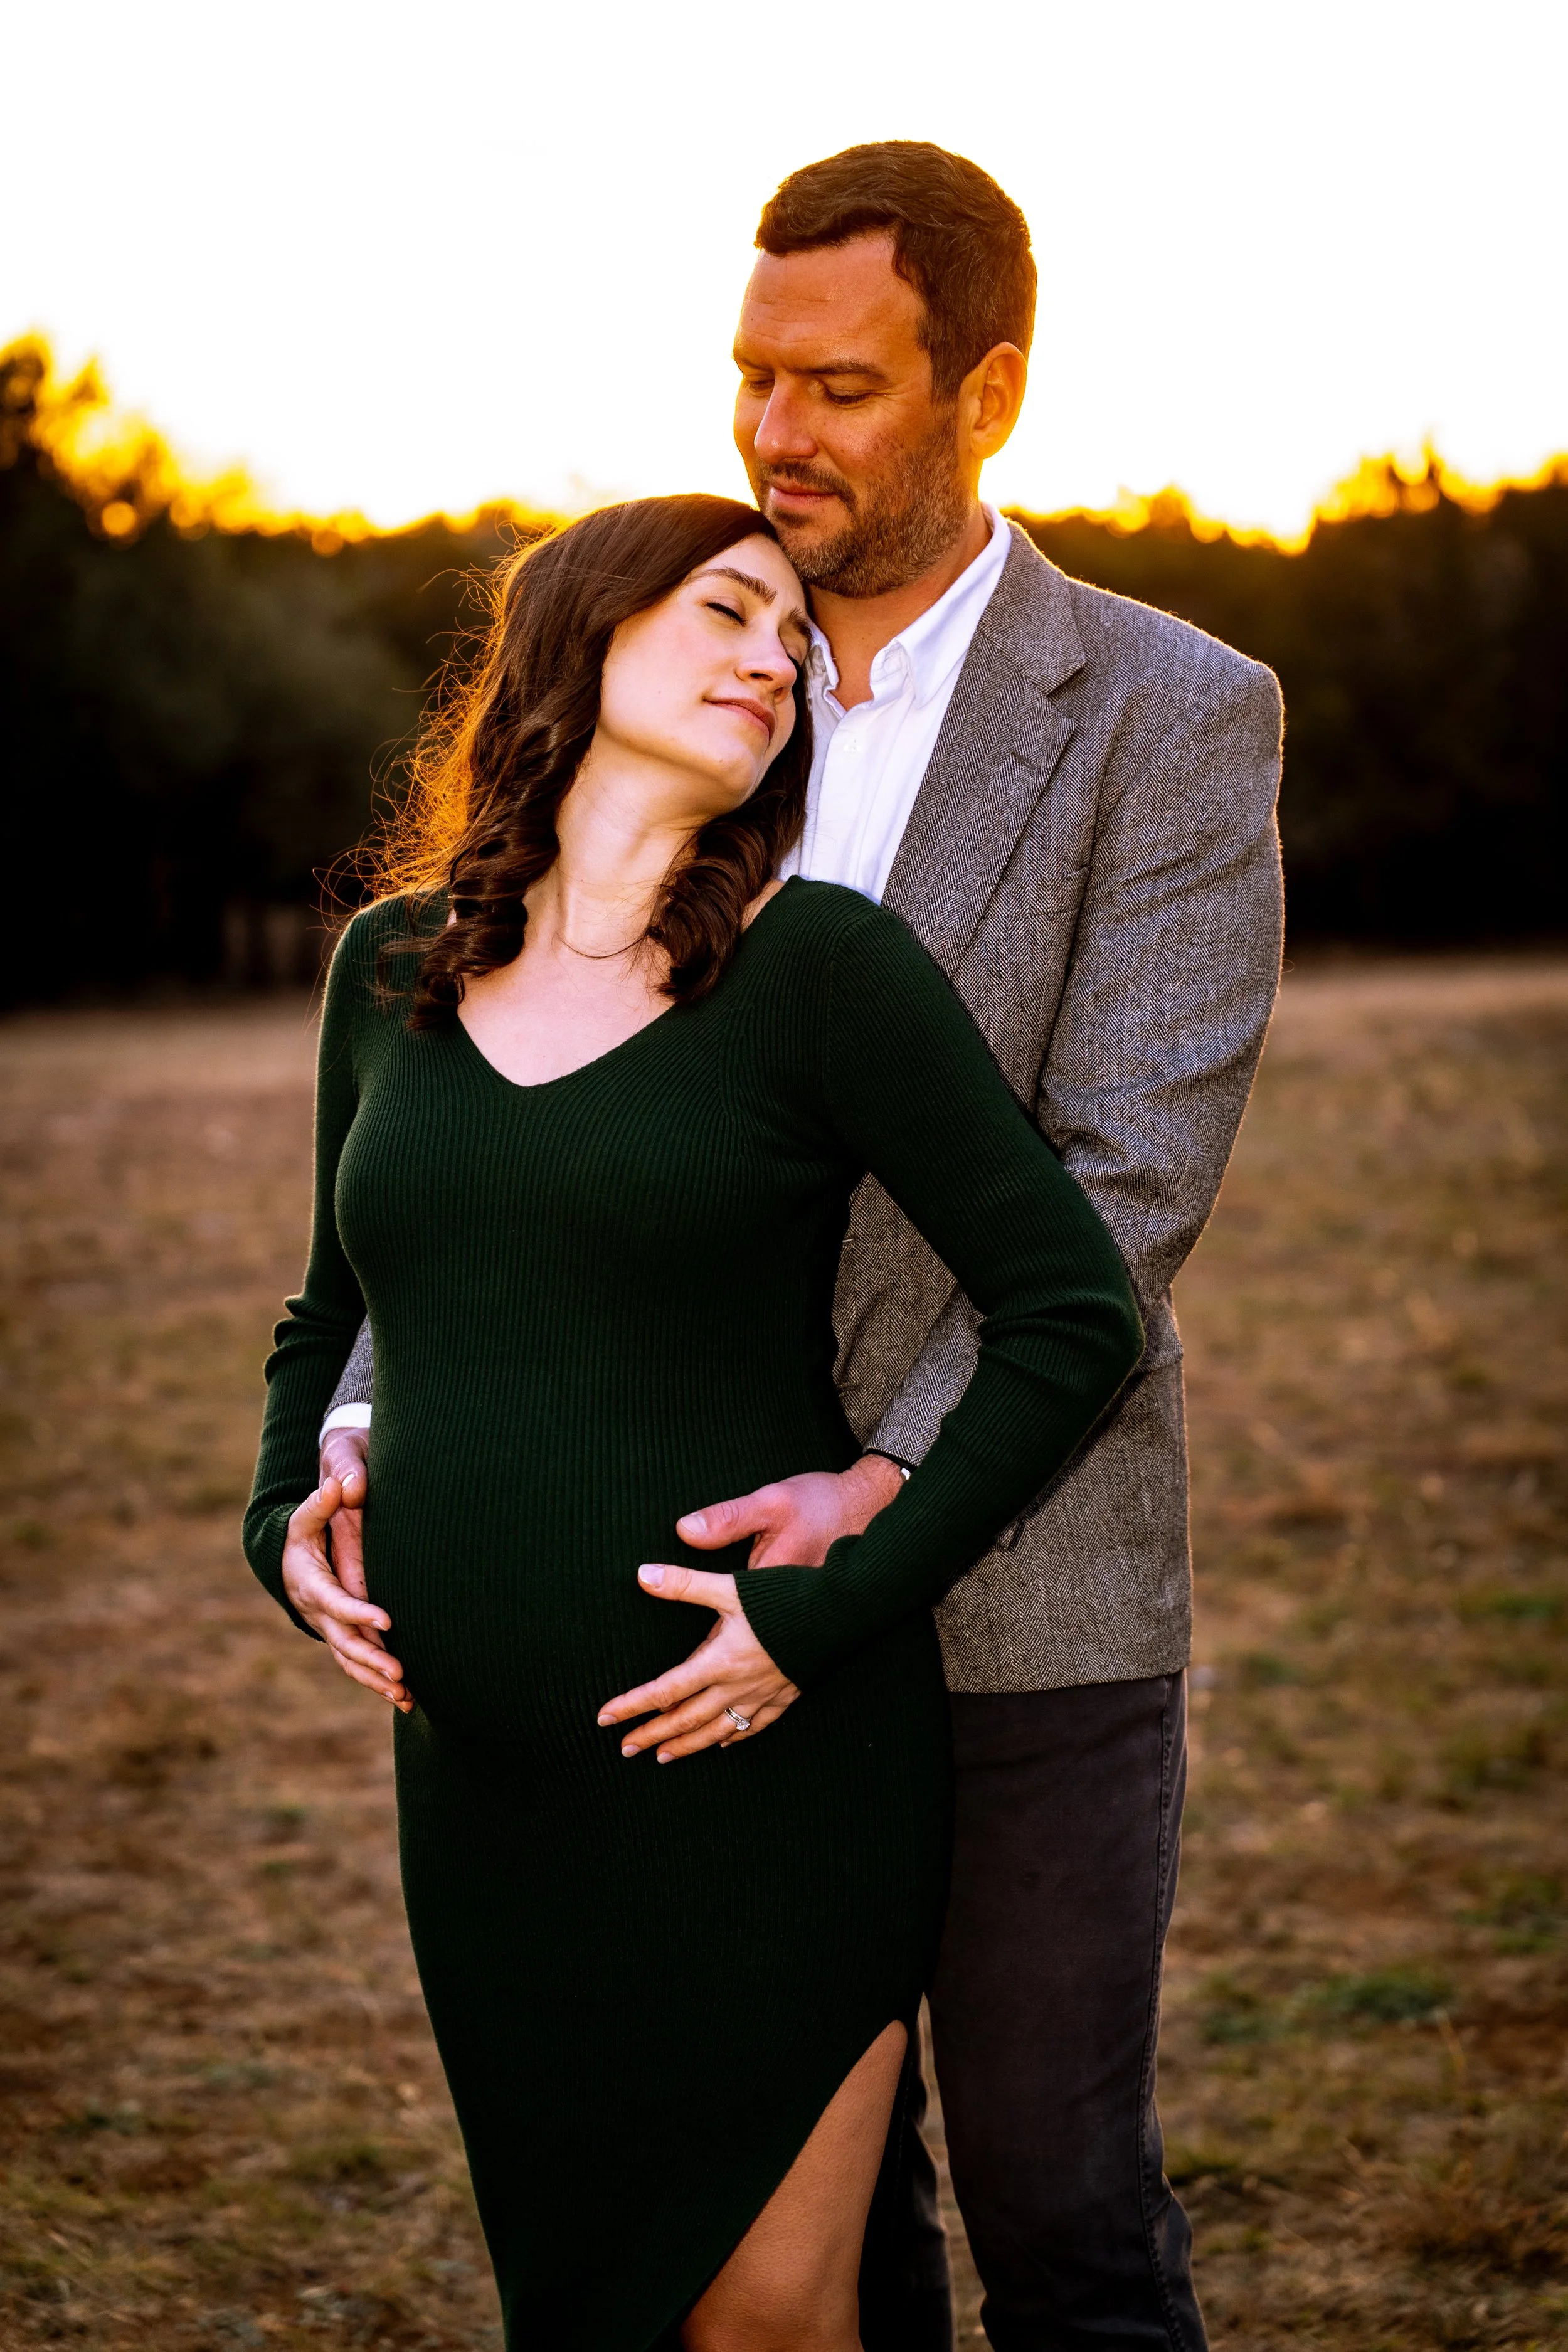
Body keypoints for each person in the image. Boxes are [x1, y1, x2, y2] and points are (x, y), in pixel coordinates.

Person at [319, 146, 1285, 2352]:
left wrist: (879, 1497)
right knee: (815, 2248)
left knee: (1055, 2200)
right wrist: (378, 1410)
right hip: (668, 1604)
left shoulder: (1164, 709)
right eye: (753, 378)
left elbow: (1120, 1181)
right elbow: (467, 1139)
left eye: (840, 387)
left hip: (1017, 1567)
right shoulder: (689, 684)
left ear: (990, 392)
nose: (776, 435)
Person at [245, 490, 1143, 2352]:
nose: (773, 660)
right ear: (579, 637)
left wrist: (825, 1604)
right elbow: (335, 1304)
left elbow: (1072, 1310)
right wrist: (283, 1512)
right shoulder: (389, 970)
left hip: (763, 1767)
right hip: (484, 1795)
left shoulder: (817, 970)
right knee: (583, 2310)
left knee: (762, 2322)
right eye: (726, 611)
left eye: (789, 646)